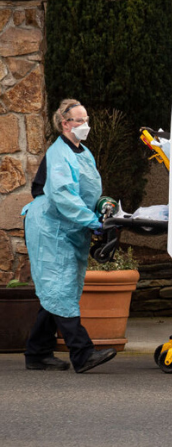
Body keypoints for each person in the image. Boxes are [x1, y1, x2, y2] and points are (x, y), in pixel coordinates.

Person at [22, 99, 117, 373]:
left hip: (67, 226)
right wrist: (91, 221)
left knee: (58, 289)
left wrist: (102, 208)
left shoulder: (82, 151)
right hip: (50, 227)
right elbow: (63, 194)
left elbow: (87, 191)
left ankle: (37, 352)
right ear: (65, 124)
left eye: (87, 119)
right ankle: (82, 353)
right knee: (60, 287)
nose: (86, 125)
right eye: (80, 120)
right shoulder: (58, 154)